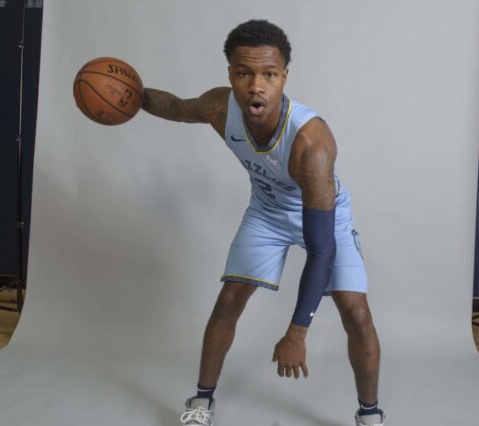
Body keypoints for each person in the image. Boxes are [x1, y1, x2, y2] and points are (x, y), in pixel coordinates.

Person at [141, 19, 384, 426]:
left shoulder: (312, 144)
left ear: (284, 76)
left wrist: (298, 332)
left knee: (356, 312)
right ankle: (201, 402)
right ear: (231, 76)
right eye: (244, 73)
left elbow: (321, 250)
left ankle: (370, 414)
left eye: (269, 74)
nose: (257, 85)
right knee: (230, 298)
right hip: (268, 212)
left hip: (325, 217)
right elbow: (177, 108)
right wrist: (135, 97)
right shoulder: (220, 108)